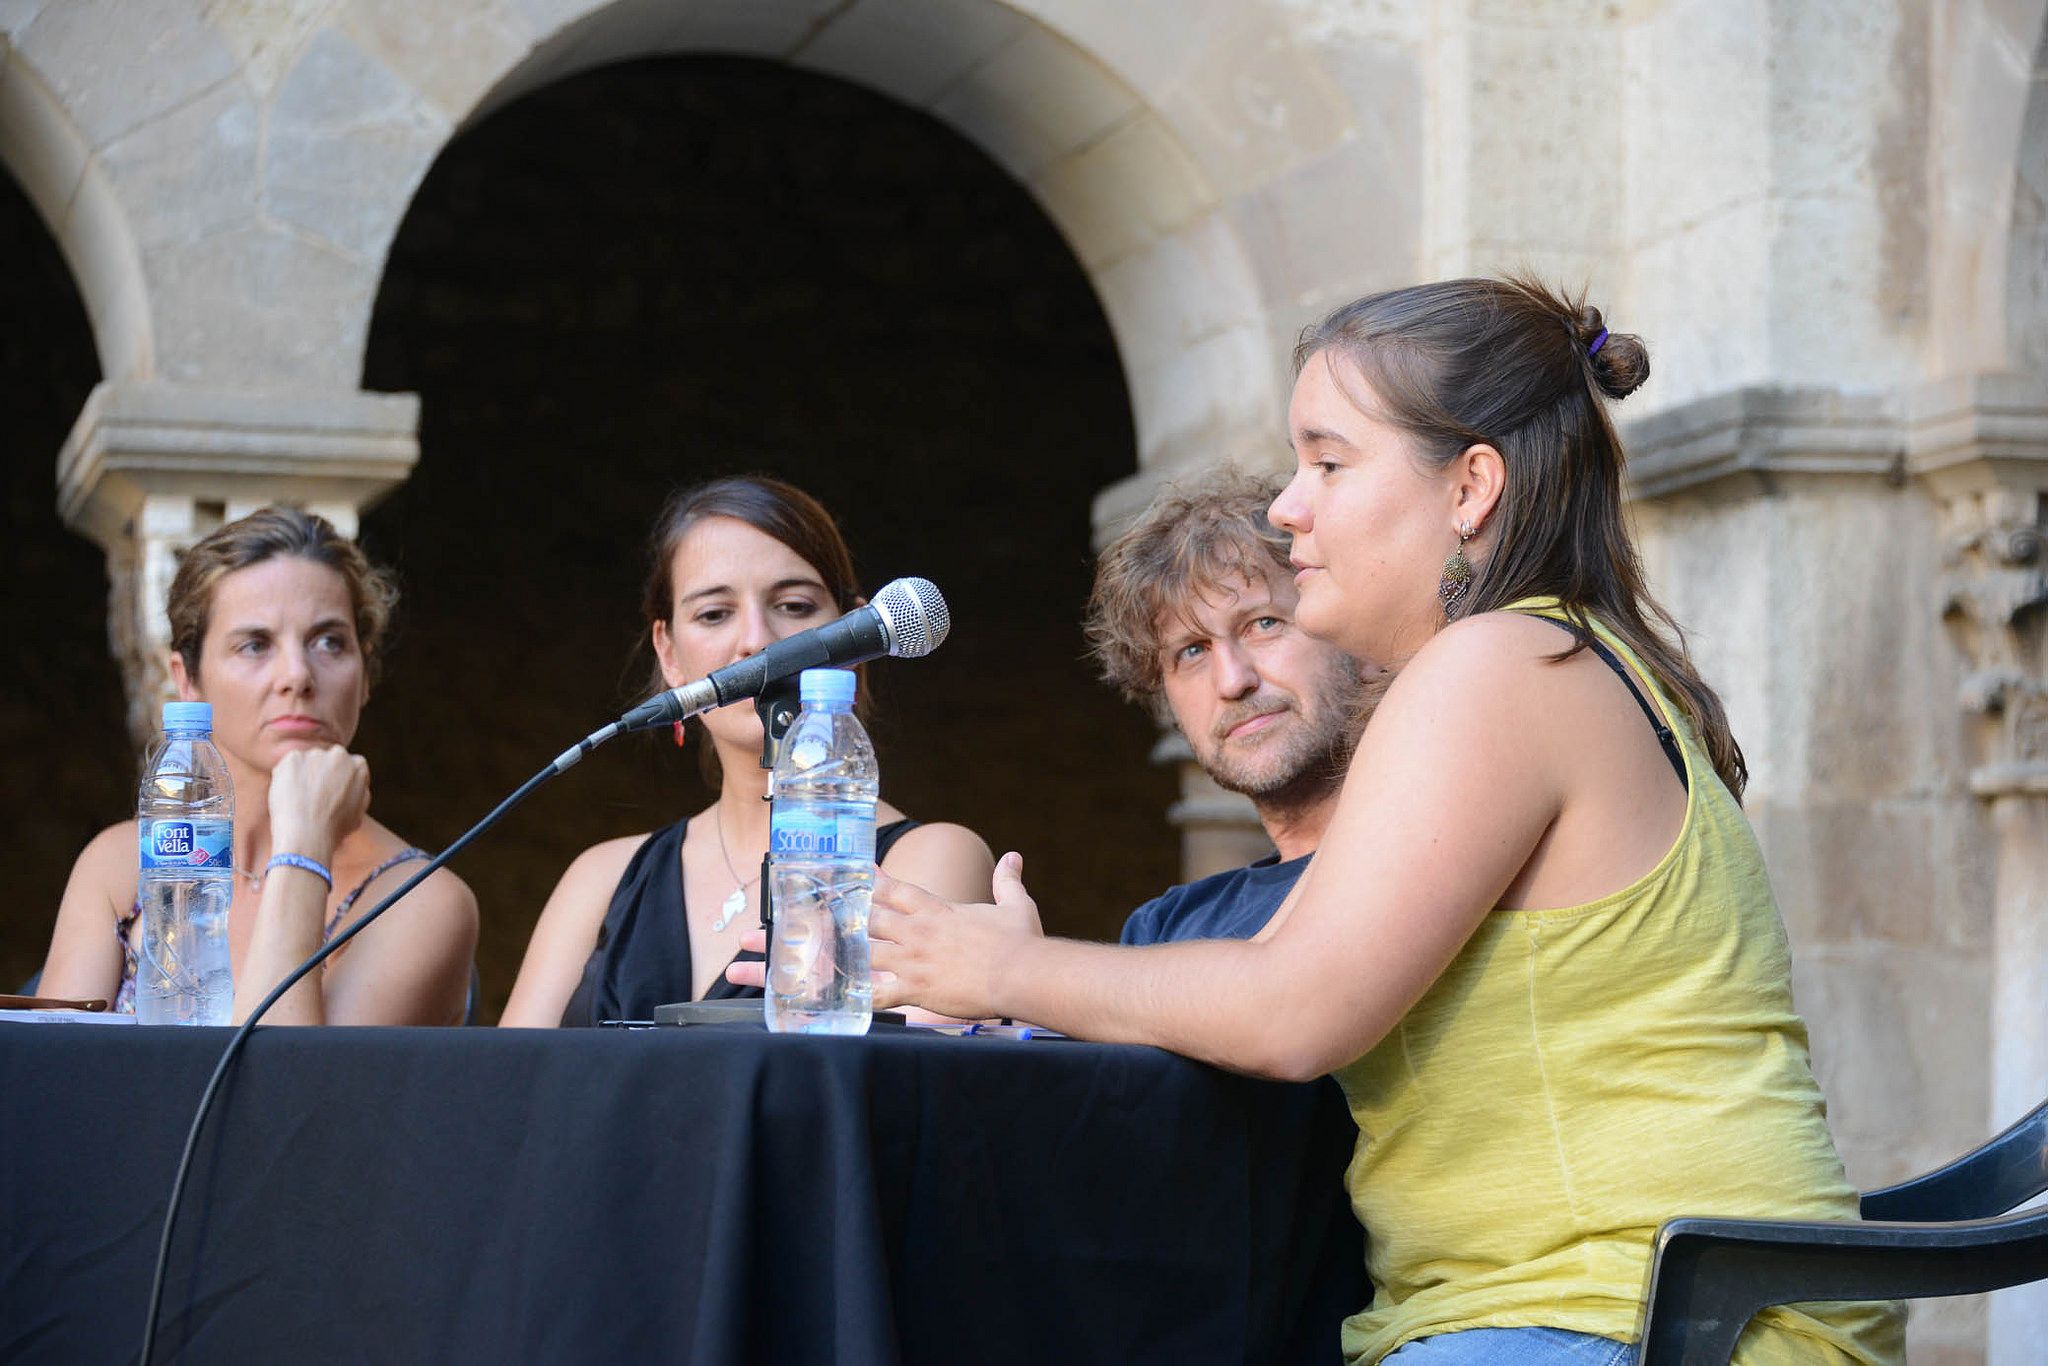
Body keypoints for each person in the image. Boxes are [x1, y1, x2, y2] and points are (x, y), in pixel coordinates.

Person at [860, 279, 1904, 1364]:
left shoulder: (1497, 666)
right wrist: (1029, 979)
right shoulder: (1555, 656)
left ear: (1469, 487)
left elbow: (1290, 1010)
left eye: (1327, 460)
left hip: (1639, 1316)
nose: (1286, 506)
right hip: (1637, 1307)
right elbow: (1266, 970)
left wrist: (1000, 973)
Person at [501, 474, 994, 1027]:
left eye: (795, 605)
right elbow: (507, 1089)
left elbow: (910, 1089)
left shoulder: (929, 859)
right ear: (670, 655)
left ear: (861, 639)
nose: (757, 640)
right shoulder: (602, 876)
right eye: (715, 613)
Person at [39, 507, 478, 1026]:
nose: (297, 675)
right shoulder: (119, 865)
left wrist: (304, 846)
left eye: (329, 642)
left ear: (364, 675)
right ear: (188, 681)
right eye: (255, 645)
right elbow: (55, 1081)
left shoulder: (421, 901)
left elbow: (284, 1095)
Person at [1084, 468, 1366, 945]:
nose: (1233, 681)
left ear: (1361, 642)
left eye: (1263, 624)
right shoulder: (1162, 931)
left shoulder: (1448, 854)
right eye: (1191, 651)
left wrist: (1014, 967)